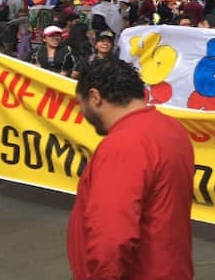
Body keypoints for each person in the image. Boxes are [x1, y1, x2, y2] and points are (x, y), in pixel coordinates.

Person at [68, 58, 195, 279]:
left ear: (95, 97)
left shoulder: (124, 144)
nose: (83, 113)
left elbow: (112, 233)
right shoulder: (172, 128)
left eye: (82, 104)